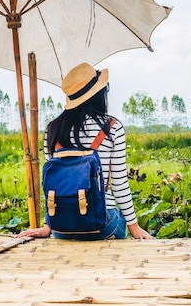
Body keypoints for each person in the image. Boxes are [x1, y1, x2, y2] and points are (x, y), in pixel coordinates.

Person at [17, 63, 154, 240]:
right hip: (103, 225)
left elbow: (52, 185)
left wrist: (47, 226)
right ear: (99, 94)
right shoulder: (112, 128)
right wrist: (135, 228)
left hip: (61, 227)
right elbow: (119, 184)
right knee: (116, 217)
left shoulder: (52, 130)